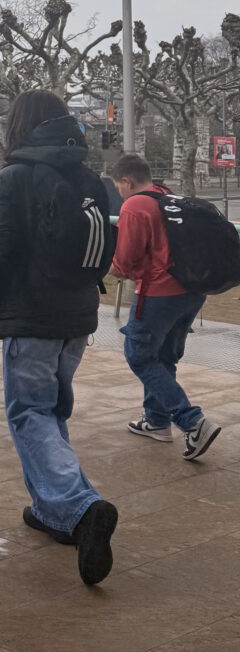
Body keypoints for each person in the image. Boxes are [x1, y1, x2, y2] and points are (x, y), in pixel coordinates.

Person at [0, 91, 118, 587]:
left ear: (19, 125)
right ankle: (50, 509)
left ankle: (80, 506)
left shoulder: (14, 176)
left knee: (29, 412)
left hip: (31, 317)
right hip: (77, 316)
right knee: (51, 411)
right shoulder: (88, 177)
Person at [110, 153, 222, 460]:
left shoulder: (134, 205)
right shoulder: (168, 197)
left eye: (118, 187)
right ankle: (157, 421)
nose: (119, 193)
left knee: (139, 355)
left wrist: (104, 268)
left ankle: (192, 421)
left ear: (126, 181)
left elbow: (124, 261)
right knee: (163, 356)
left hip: (158, 293)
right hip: (191, 291)